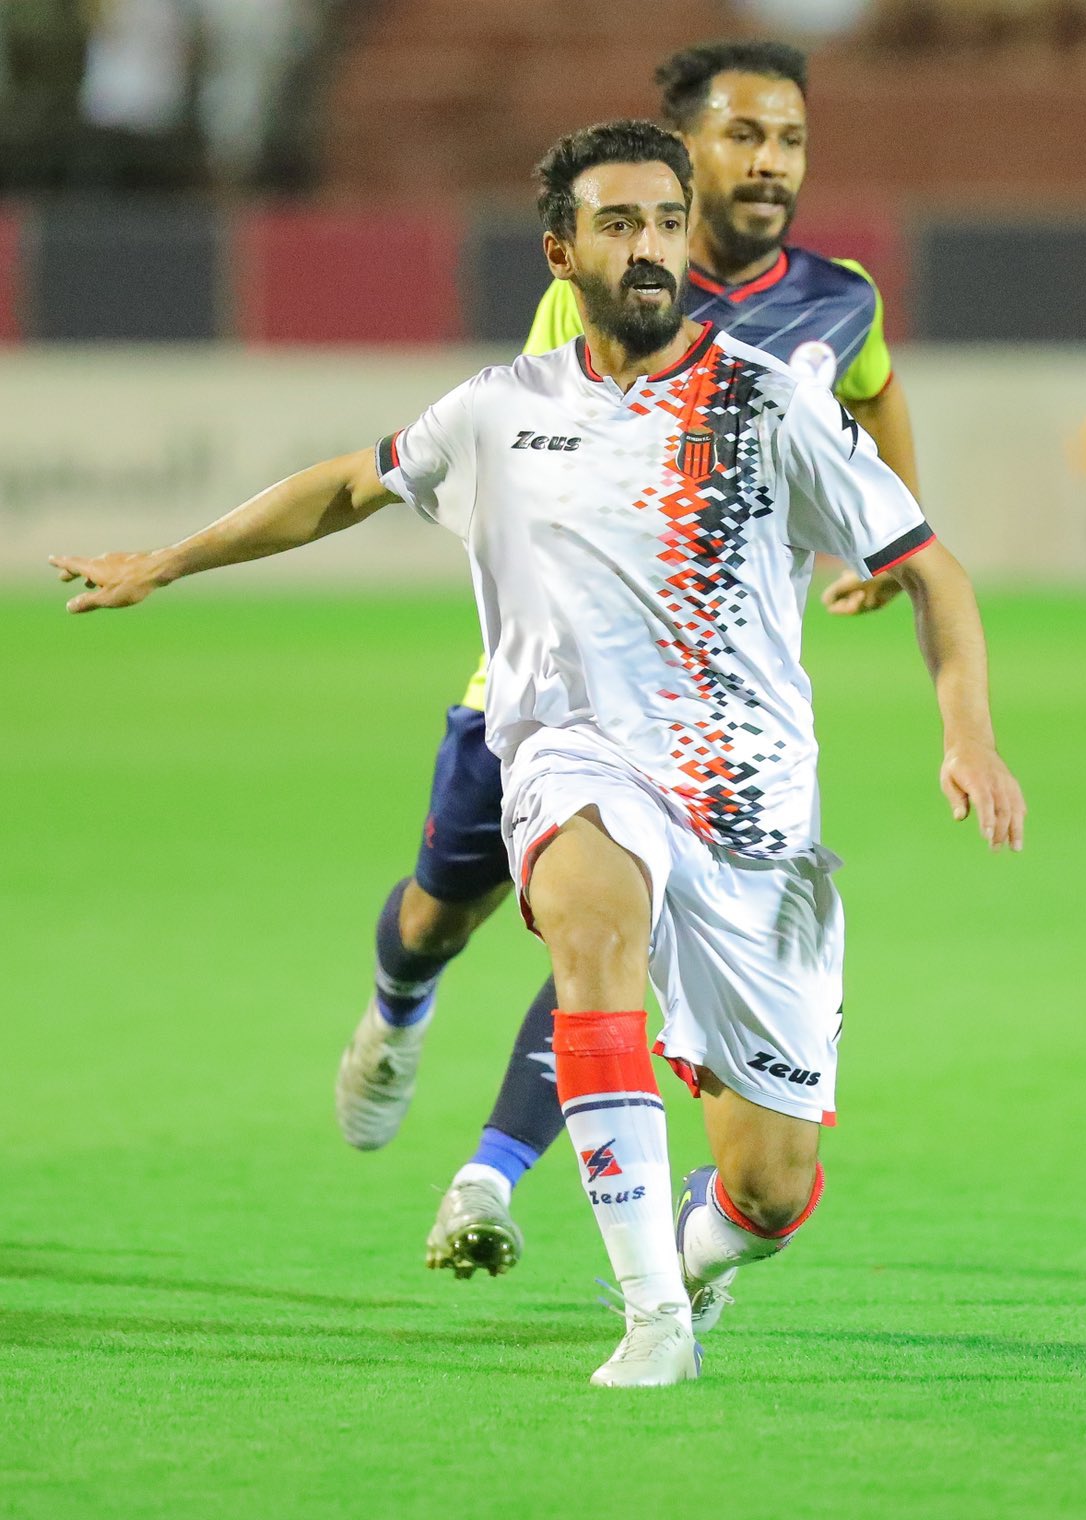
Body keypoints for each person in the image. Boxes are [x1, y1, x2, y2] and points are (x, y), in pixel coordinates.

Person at [53, 119, 1025, 1387]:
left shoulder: (767, 400)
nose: (650, 248)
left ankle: (694, 1260)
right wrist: (168, 559)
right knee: (584, 919)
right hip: (579, 764)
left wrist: (969, 735)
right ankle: (650, 1320)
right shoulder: (501, 410)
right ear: (561, 251)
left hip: (752, 824)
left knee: (770, 1186)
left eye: (667, 223)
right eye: (619, 224)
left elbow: (928, 567)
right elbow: (348, 484)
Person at [330, 40, 917, 1287]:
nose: (767, 162)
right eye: (742, 136)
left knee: (612, 933)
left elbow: (872, 390)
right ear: (679, 149)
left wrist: (882, 528)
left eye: (790, 140)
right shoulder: (604, 285)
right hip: (539, 698)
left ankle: (492, 1175)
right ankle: (395, 1009)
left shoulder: (838, 297)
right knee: (438, 912)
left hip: (686, 728)